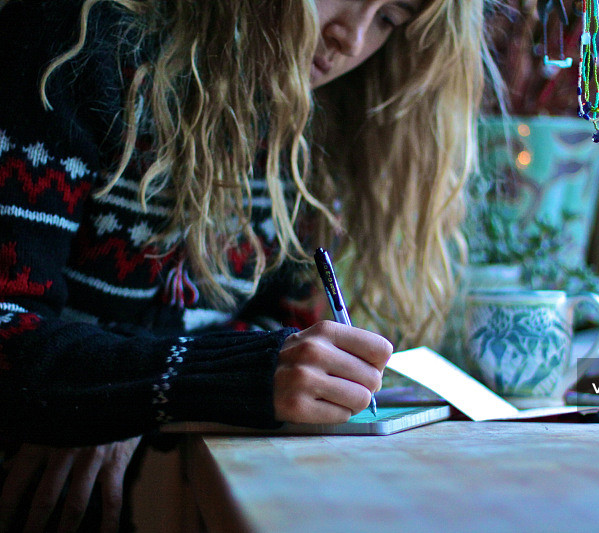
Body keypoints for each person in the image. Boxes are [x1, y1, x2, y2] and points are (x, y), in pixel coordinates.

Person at [0, 0, 491, 530]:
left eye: (389, 19)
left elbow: (280, 321)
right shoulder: (74, 42)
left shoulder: (303, 131)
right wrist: (133, 393)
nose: (351, 38)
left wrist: (126, 392)